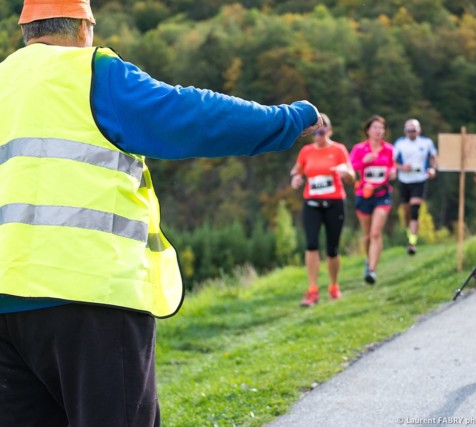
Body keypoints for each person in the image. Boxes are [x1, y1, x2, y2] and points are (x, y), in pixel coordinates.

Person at [0, 1, 322, 425]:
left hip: (7, 309)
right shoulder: (94, 73)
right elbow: (193, 115)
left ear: (27, 30)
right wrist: (287, 120)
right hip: (92, 296)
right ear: (84, 29)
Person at [290, 113, 355, 307]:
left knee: (332, 249)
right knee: (311, 245)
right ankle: (312, 290)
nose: (319, 135)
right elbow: (297, 170)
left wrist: (347, 174)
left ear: (329, 130)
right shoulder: (306, 151)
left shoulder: (338, 150)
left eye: (322, 130)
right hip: (312, 203)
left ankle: (334, 286)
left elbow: (352, 175)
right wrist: (295, 178)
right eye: (315, 132)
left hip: (335, 203)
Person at [349, 115, 396, 284]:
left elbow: (393, 166)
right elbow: (349, 169)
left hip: (382, 195)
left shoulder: (389, 149)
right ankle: (368, 260)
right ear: (368, 130)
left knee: (376, 233)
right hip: (364, 195)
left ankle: (372, 270)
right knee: (367, 235)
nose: (378, 131)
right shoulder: (359, 149)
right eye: (375, 128)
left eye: (381, 128)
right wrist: (363, 161)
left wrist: (393, 172)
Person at [393, 118, 438, 255]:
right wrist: (402, 167)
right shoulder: (400, 144)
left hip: (420, 178)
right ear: (405, 131)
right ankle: (409, 234)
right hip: (404, 179)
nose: (411, 133)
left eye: (414, 130)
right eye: (409, 130)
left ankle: (412, 242)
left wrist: (433, 169)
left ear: (419, 130)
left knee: (414, 210)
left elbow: (434, 158)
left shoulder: (426, 143)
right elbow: (392, 162)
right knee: (406, 211)